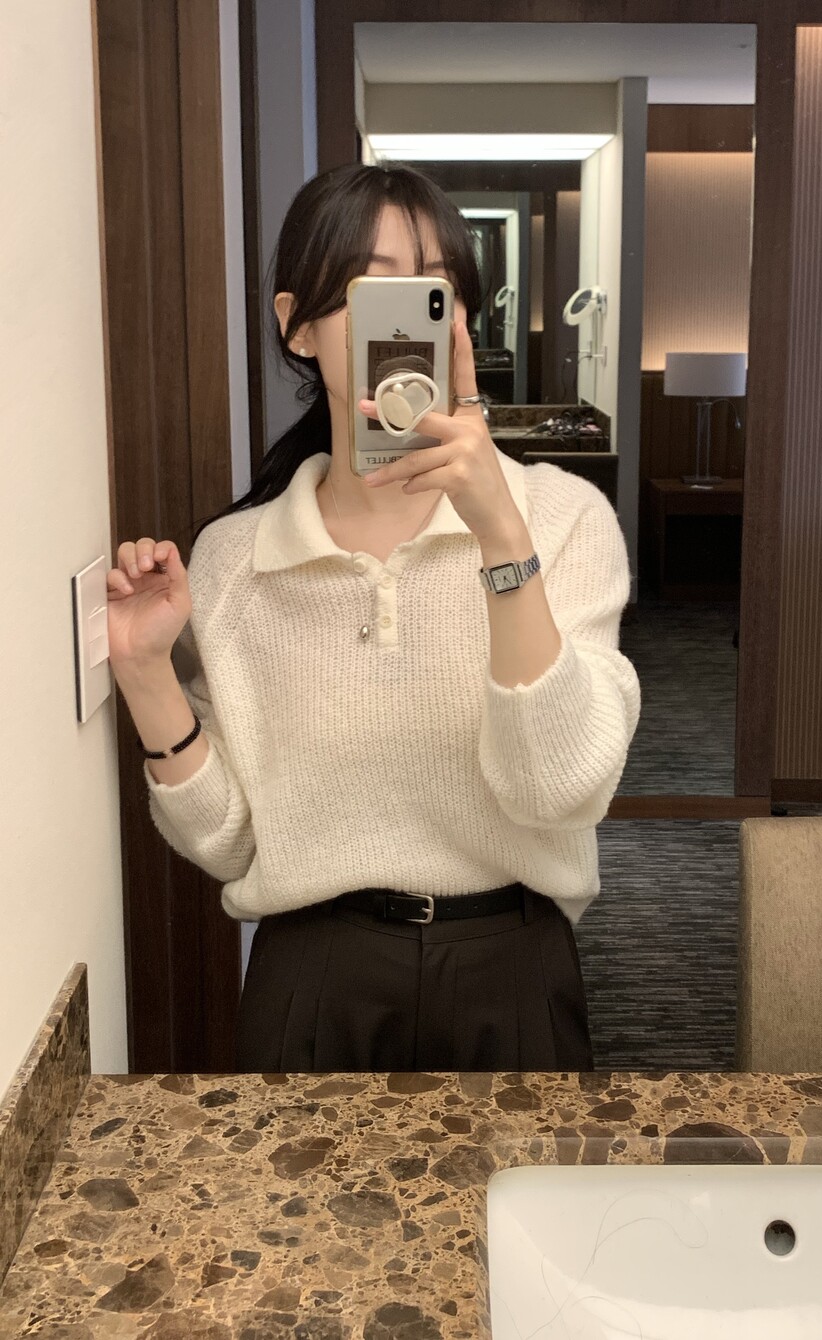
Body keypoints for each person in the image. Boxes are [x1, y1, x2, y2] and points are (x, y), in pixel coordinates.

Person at [107, 162, 641, 1074]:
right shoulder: (235, 561)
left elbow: (559, 791)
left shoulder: (561, 520)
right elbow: (231, 842)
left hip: (515, 965)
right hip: (312, 973)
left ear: (461, 322)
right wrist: (147, 674)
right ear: (298, 325)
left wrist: (498, 532)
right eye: (372, 286)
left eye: (434, 290)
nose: (404, 320)